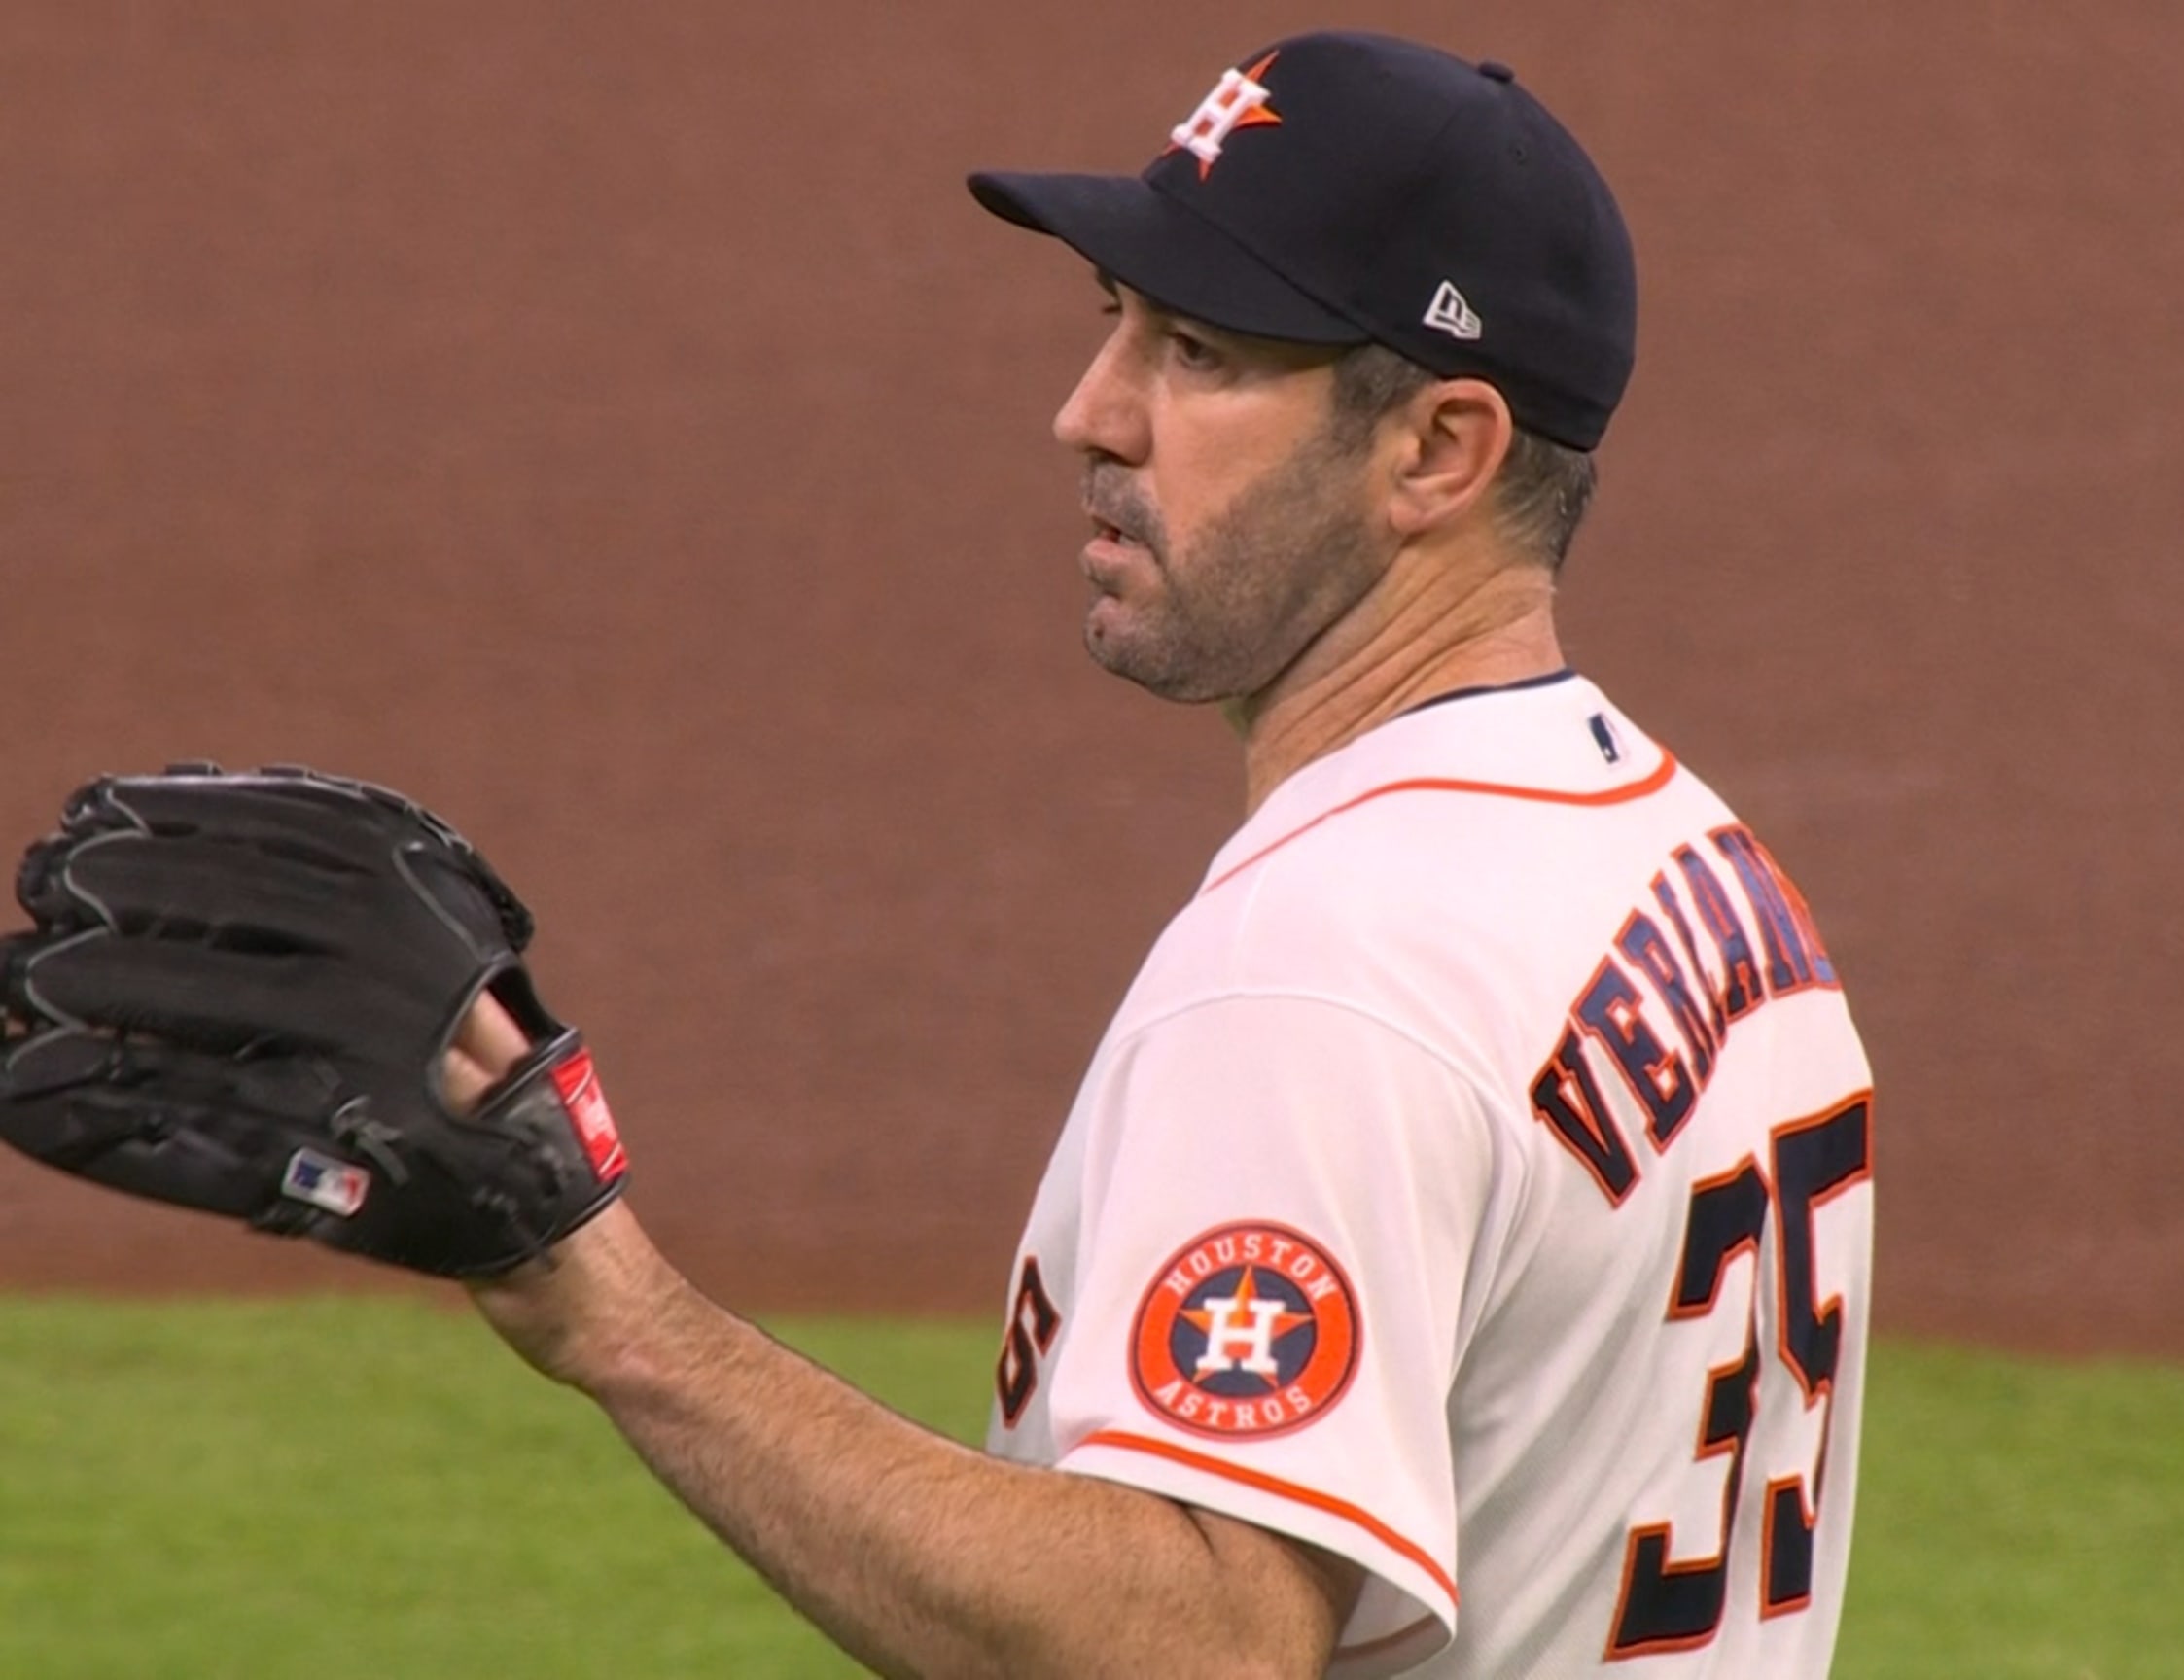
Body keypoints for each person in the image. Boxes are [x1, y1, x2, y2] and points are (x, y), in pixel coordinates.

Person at [461, 28, 1877, 1676]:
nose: (1090, 413)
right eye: (1111, 320)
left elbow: (1196, 1642)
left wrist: (629, 1329)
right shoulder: (1697, 867)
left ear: (1439, 452)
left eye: (1199, 352)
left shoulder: (1329, 972)